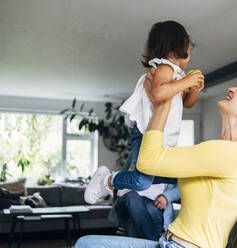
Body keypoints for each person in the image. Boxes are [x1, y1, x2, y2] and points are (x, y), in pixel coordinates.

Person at [75, 73, 237, 247]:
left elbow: (148, 161)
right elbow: (155, 170)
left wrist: (162, 103)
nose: (233, 88)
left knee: (87, 244)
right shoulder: (234, 154)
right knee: (87, 243)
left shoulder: (232, 154)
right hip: (169, 242)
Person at [84, 20, 204, 205]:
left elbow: (187, 103)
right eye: (188, 45)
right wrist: (187, 82)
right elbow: (158, 93)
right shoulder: (164, 67)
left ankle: (128, 176)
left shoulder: (178, 76)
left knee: (173, 176)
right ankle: (107, 179)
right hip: (146, 132)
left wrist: (193, 90)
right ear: (178, 46)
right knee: (142, 182)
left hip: (163, 138)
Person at [109, 183, 180, 241]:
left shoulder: (175, 168)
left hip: (156, 204)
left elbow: (183, 188)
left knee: (132, 224)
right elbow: (118, 181)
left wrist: (167, 196)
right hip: (130, 199)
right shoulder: (135, 165)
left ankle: (152, 242)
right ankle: (155, 241)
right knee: (132, 197)